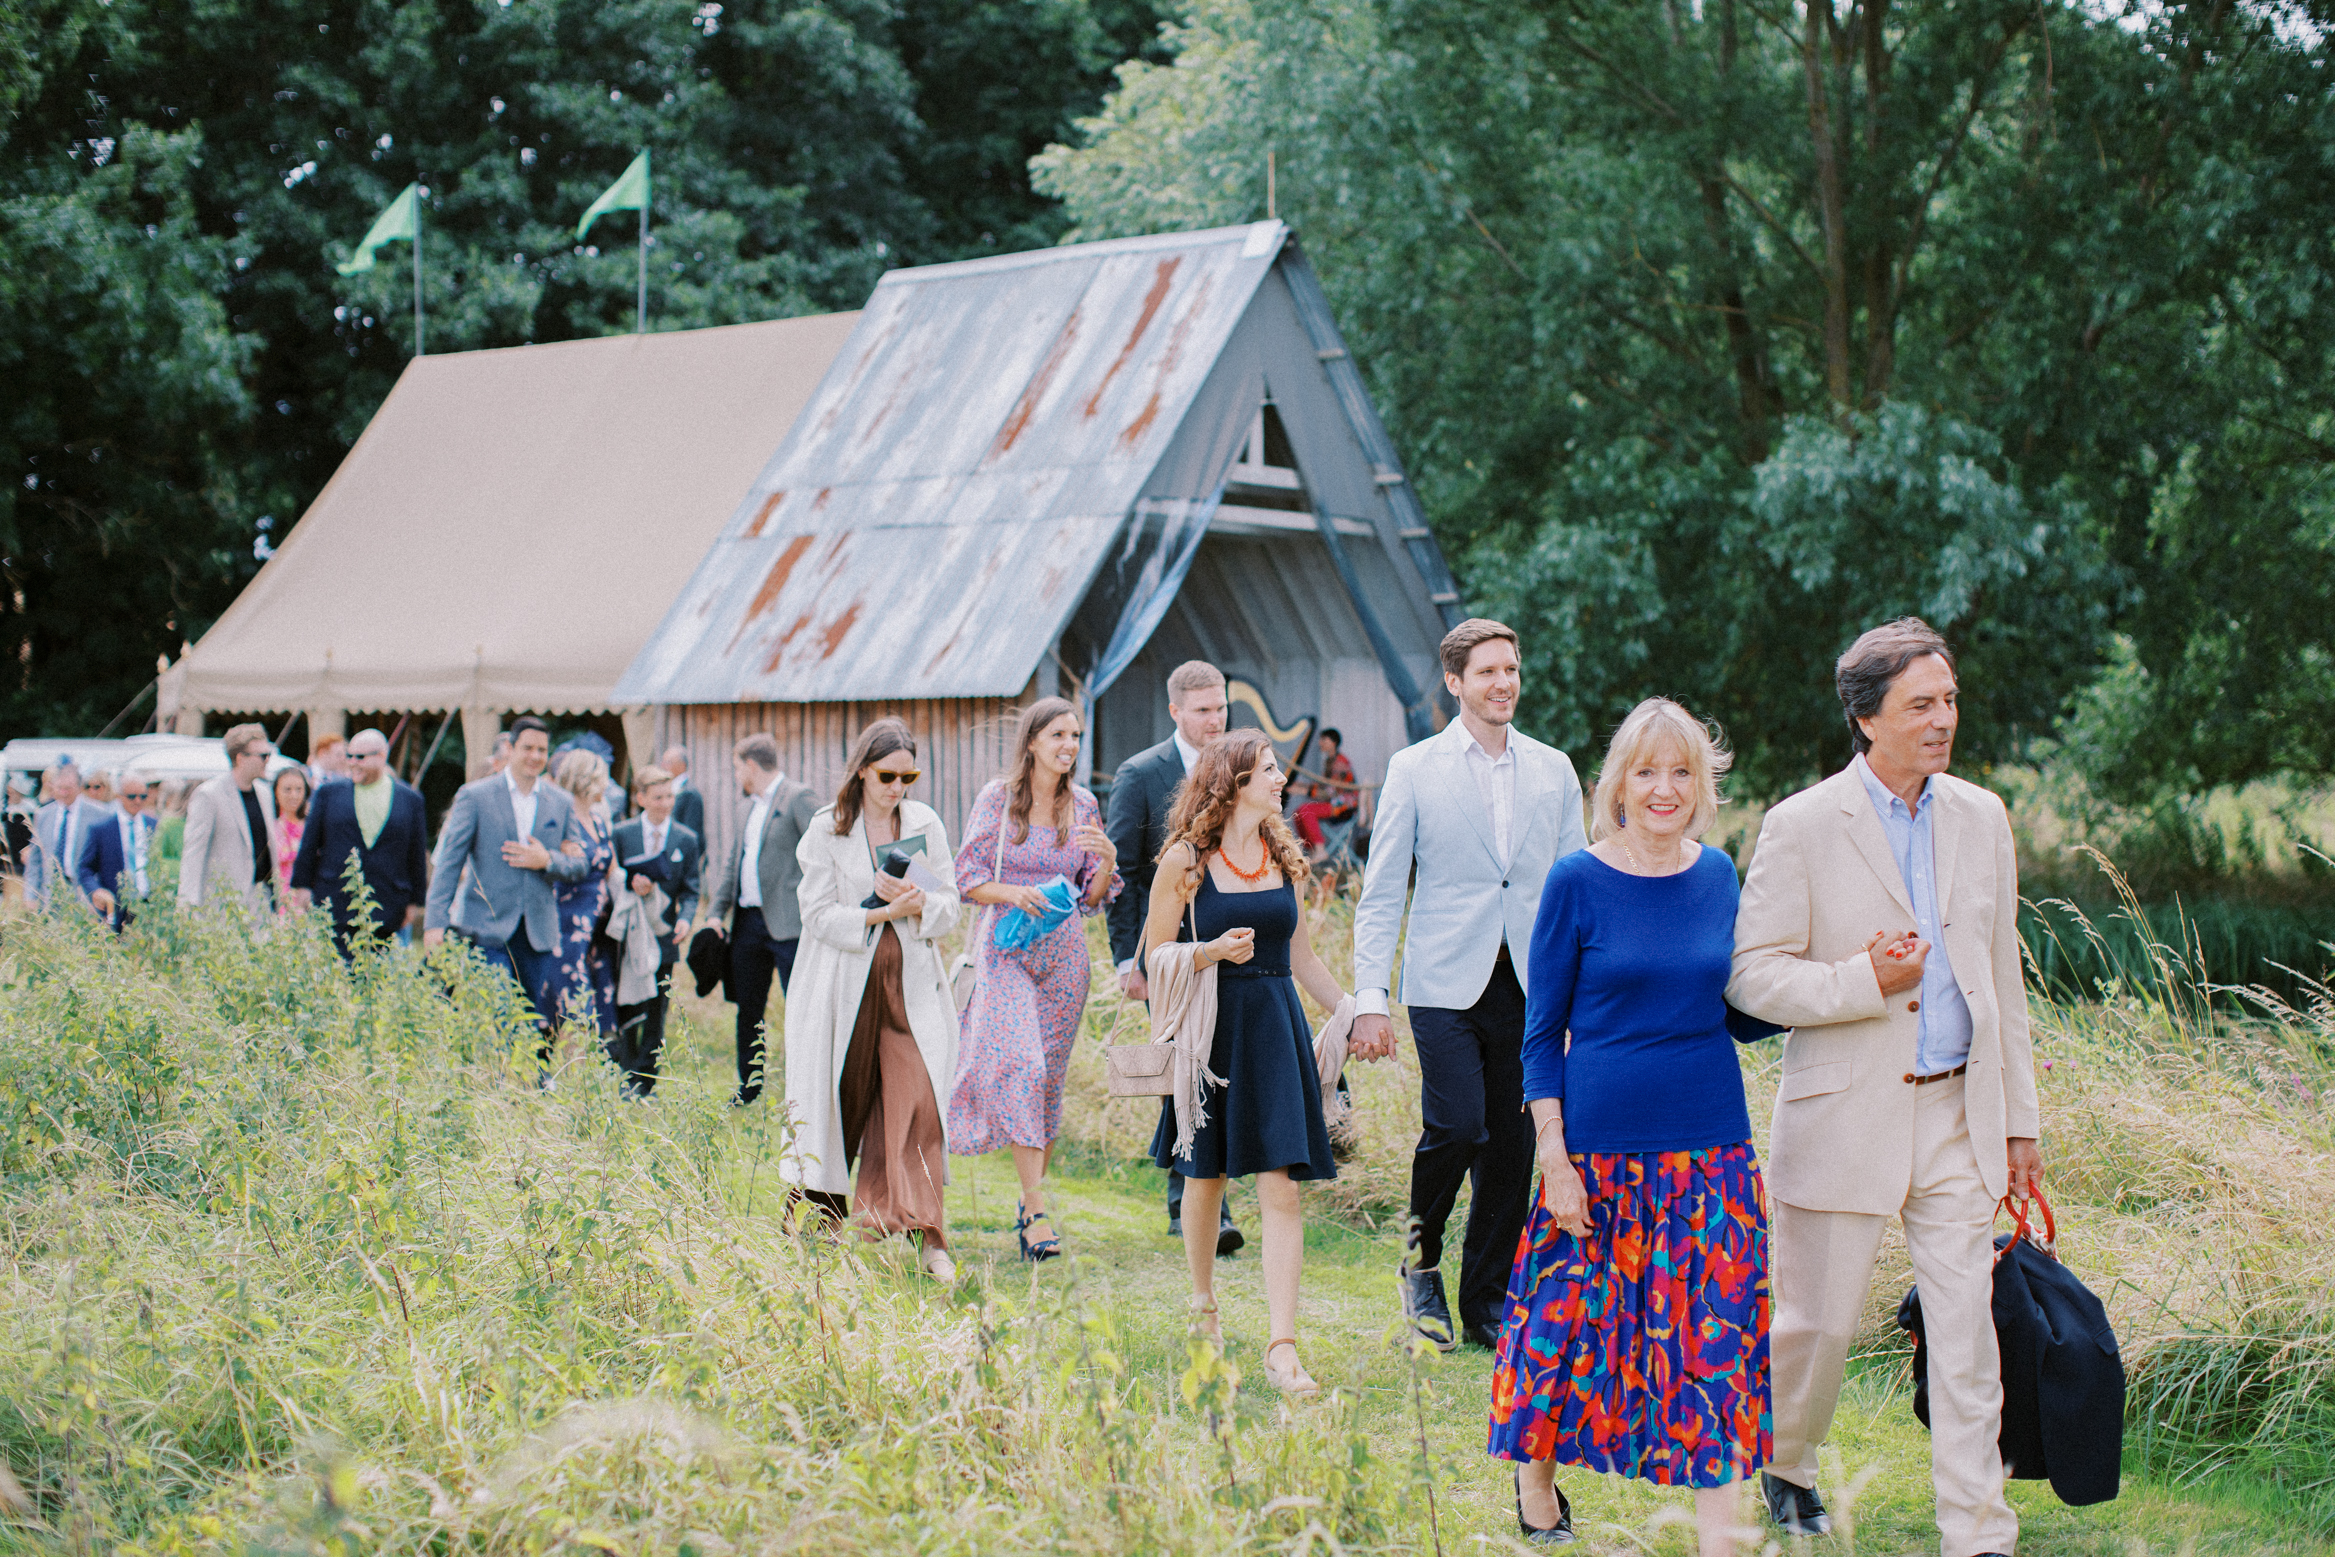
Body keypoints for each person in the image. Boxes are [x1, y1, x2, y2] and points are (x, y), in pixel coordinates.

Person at [1728, 619, 2042, 1557]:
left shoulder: (1982, 816)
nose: (1942, 718)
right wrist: (1861, 980)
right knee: (1816, 1326)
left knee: (1966, 1333)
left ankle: (1978, 1531)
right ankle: (1785, 1462)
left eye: (1948, 700)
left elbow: (2003, 978)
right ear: (1868, 717)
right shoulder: (1800, 823)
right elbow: (1750, 977)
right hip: (1841, 1113)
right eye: (1920, 704)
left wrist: (2019, 1119)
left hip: (1958, 1112)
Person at [1493, 699, 1776, 1552]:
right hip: (1596, 1147)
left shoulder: (1719, 874)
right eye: (1646, 770)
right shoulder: (1577, 880)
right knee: (1564, 1327)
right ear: (1617, 782)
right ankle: (1533, 1480)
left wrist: (1847, 986)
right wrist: (1552, 1152)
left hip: (1709, 1145)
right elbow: (1540, 1034)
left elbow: (1740, 1008)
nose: (1663, 788)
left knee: (1715, 1334)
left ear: (1702, 784)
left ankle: (1718, 1532)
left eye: (1681, 771)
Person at [1351, 618, 1589, 1352]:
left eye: (1511, 669)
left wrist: (1585, 994)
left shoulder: (1553, 768)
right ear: (1454, 682)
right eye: (1487, 671)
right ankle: (1419, 1266)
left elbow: (1575, 888)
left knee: (1513, 1150)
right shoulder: (1413, 768)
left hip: (1532, 983)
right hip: (1443, 979)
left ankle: (1485, 1300)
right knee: (1456, 1126)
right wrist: (1369, 998)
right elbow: (1383, 889)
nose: (1503, 682)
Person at [1140, 729, 1350, 1395]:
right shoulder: (1184, 860)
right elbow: (1154, 956)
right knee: (1207, 1177)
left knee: (1281, 1185)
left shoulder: (1282, 854)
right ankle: (1203, 1304)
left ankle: (1281, 1346)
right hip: (1212, 1032)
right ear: (1230, 782)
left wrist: (1354, 1009)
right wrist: (1208, 954)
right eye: (1266, 770)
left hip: (1274, 1025)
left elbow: (1301, 959)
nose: (1279, 779)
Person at [785, 720, 964, 1277]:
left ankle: (926, 1230)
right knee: (838, 1099)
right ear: (862, 769)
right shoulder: (827, 829)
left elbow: (950, 904)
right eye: (887, 775)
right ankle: (819, 1226)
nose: (897, 787)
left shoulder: (923, 822)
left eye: (907, 776)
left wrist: (917, 903)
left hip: (909, 987)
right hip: (841, 988)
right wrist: (877, 912)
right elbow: (814, 914)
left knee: (920, 1098)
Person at [949, 696, 1122, 1261]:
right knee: (1021, 1062)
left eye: (1075, 736)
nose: (1069, 746)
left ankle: (1027, 1209)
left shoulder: (1087, 805)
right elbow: (968, 877)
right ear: (1031, 743)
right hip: (1005, 947)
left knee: (1048, 1077)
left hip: (1065, 954)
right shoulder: (998, 800)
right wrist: (1012, 893)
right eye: (1058, 736)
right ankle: (1038, 1207)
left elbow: (1093, 898)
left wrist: (1110, 861)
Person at [1106, 659, 1243, 1252]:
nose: (1216, 720)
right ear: (1176, 712)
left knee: (1219, 1068)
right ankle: (1192, 1199)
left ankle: (1202, 1193)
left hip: (1231, 946)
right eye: (1204, 710)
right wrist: (1127, 960)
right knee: (1182, 1070)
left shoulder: (1242, 770)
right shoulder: (1141, 774)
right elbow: (1123, 875)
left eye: (1221, 708)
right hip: (1166, 953)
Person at [423, 716, 588, 1050]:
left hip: (537, 930)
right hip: (485, 926)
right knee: (499, 1010)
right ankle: (496, 1085)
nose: (535, 756)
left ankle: (523, 1088)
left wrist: (549, 861)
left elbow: (581, 864)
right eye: (528, 747)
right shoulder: (476, 796)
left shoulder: (561, 802)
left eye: (542, 749)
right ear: (511, 748)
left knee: (529, 1014)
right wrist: (435, 922)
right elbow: (449, 863)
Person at [703, 733, 820, 1105]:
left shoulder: (798, 797)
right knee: (748, 1007)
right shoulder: (745, 808)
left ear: (751, 765)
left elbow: (824, 849)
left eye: (738, 768)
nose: (737, 775)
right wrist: (715, 913)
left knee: (799, 1006)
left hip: (789, 923)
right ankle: (749, 1088)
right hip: (748, 923)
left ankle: (806, 1088)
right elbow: (732, 863)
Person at [606, 766, 703, 1096]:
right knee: (627, 1004)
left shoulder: (686, 839)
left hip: (664, 935)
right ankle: (624, 1072)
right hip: (629, 936)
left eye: (670, 796)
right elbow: (610, 880)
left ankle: (646, 1081)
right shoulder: (621, 834)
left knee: (656, 1007)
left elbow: (691, 889)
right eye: (658, 797)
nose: (665, 803)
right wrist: (629, 884)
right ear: (641, 798)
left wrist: (686, 918)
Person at [289, 728, 432, 952]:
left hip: (388, 905)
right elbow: (310, 843)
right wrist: (302, 886)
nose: (353, 763)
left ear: (382, 756)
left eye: (361, 757)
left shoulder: (410, 799)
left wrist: (415, 901)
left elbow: (416, 855)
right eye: (350, 756)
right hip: (335, 902)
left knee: (381, 979)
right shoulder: (329, 793)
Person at [549, 749, 620, 1040]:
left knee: (597, 996)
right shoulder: (560, 820)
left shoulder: (599, 820)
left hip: (598, 927)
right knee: (573, 1003)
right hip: (569, 923)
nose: (607, 786)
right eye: (603, 779)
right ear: (587, 781)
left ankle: (588, 1075)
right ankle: (568, 1077)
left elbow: (611, 867)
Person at [179, 726, 280, 921]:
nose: (267, 760)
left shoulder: (265, 793)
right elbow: (194, 854)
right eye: (262, 755)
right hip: (222, 904)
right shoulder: (209, 794)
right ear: (240, 758)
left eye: (268, 755)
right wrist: (188, 906)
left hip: (262, 900)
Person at [77, 773, 157, 931]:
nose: (138, 801)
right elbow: (84, 868)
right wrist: (95, 890)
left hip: (150, 905)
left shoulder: (155, 826)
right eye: (132, 796)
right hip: (116, 906)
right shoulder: (102, 829)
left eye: (143, 796)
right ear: (119, 796)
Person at [1291, 727, 1360, 854]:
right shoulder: (1330, 761)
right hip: (1335, 803)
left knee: (1305, 810)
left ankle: (1320, 849)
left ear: (1333, 743)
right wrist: (1301, 786)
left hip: (1344, 807)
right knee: (1298, 813)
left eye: (1324, 740)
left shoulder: (1340, 763)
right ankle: (1311, 851)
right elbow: (1323, 785)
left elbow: (1330, 792)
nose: (1320, 743)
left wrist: (1303, 791)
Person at [27, 760, 82, 910]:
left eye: (68, 788)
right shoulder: (43, 814)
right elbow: (35, 860)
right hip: (50, 892)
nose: (64, 792)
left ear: (78, 788)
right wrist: (31, 896)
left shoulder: (96, 814)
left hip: (81, 892)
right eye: (60, 788)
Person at [270, 765, 311, 909]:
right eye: (287, 789)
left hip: (305, 901)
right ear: (275, 792)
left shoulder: (311, 826)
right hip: (275, 901)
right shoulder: (269, 826)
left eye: (299, 789)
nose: (294, 795)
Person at [660, 745, 706, 841]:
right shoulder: (670, 789)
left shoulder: (689, 793)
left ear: (682, 765)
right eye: (663, 762)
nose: (663, 766)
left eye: (668, 762)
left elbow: (691, 830)